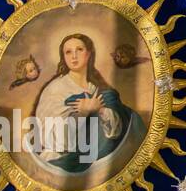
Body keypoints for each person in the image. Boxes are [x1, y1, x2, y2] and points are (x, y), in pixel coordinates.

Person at [33, 33, 138, 174]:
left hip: (98, 162)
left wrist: (100, 110)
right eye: (68, 52)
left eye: (79, 50)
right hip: (61, 162)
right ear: (63, 57)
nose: (74, 56)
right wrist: (82, 114)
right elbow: (50, 138)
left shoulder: (96, 88)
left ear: (88, 54)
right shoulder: (55, 89)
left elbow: (117, 126)